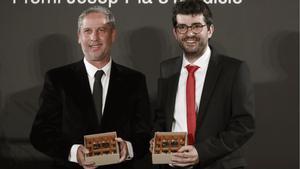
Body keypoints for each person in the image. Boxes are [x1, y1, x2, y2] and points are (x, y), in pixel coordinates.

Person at [30, 6, 151, 169]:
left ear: (113, 34)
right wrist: (73, 152)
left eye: (101, 30)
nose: (94, 38)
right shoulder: (58, 79)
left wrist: (128, 148)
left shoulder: (135, 80)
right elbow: (40, 134)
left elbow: (145, 134)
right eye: (87, 31)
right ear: (79, 36)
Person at [151, 0, 255, 169]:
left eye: (197, 26)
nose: (189, 33)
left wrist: (201, 152)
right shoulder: (167, 68)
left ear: (210, 30)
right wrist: (156, 141)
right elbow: (162, 117)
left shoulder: (234, 69)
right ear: (175, 32)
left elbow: (244, 125)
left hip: (218, 164)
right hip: (173, 164)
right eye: (182, 27)